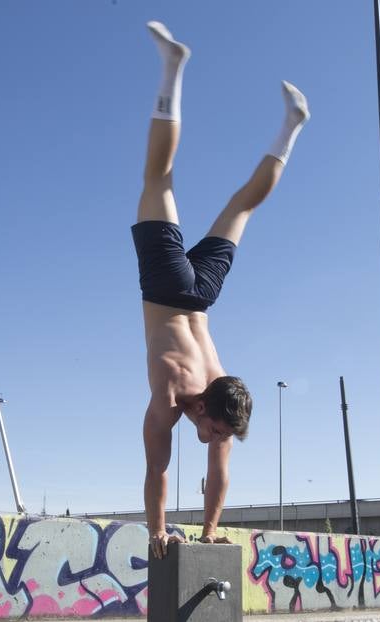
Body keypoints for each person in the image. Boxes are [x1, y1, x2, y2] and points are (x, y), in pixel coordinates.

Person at [134, 21, 309, 559]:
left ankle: (292, 125)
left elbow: (219, 479)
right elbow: (157, 469)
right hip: (169, 289)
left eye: (215, 434)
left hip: (204, 294)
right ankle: (172, 66)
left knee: (242, 206)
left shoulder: (223, 399)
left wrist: (211, 531)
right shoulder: (173, 390)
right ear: (208, 407)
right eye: (211, 431)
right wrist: (157, 531)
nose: (209, 438)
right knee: (158, 179)